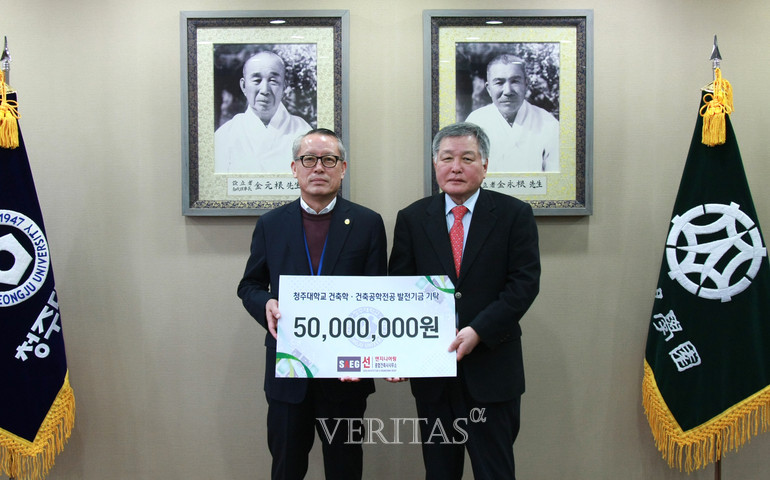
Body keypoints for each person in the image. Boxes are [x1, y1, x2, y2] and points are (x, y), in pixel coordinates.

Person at [389, 122, 541, 479]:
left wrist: (478, 330)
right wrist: (400, 350)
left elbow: (523, 284)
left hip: (492, 367)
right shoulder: (412, 218)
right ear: (435, 164)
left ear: (484, 165)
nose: (455, 167)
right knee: (440, 472)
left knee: (495, 471)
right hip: (433, 373)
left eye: (467, 158)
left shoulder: (514, 214)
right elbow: (401, 289)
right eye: (447, 158)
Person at [237, 128, 387, 479]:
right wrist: (266, 303)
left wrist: (372, 353)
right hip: (289, 371)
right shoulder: (272, 224)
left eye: (329, 159)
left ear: (343, 168)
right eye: (309, 159)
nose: (318, 167)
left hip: (346, 372)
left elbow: (379, 294)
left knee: (345, 468)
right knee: (287, 467)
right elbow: (249, 285)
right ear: (295, 168)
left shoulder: (367, 223)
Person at [215, 51, 312, 173]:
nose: (264, 90)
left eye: (273, 80)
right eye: (257, 80)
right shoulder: (225, 136)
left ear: (284, 86)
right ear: (244, 86)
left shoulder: (303, 132)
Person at [465, 54, 560, 173]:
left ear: (526, 85)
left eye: (515, 81)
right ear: (489, 89)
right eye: (499, 83)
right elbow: (468, 173)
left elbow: (555, 178)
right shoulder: (476, 122)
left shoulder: (548, 124)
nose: (508, 91)